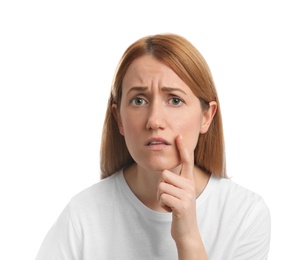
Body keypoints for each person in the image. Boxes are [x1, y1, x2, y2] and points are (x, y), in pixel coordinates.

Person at [35, 33, 271, 260]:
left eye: (175, 100)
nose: (155, 121)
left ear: (206, 116)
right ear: (119, 119)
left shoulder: (245, 213)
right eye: (139, 100)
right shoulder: (82, 214)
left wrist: (188, 237)